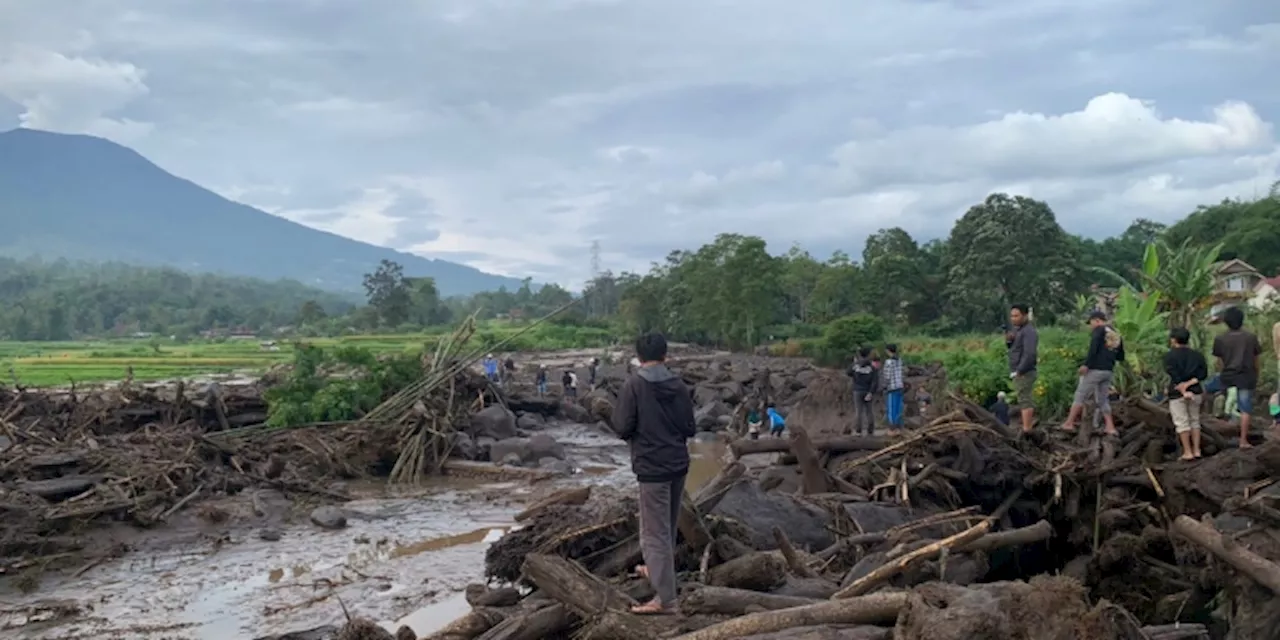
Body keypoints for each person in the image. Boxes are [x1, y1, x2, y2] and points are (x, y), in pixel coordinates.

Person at [611, 332, 696, 615]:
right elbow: (690, 428)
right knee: (667, 529)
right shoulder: (679, 384)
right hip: (678, 464)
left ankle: (666, 601)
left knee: (653, 534)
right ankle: (658, 572)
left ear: (639, 356)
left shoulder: (634, 385)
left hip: (652, 467)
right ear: (665, 355)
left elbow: (622, 426)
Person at [1061, 311, 1125, 436]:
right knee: (1103, 400)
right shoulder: (1116, 333)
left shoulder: (1099, 330)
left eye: (1090, 323)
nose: (1091, 326)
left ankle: (1069, 423)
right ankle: (1110, 427)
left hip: (1096, 369)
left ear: (1097, 320)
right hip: (1108, 370)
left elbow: (1093, 347)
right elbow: (1121, 356)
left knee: (1080, 395)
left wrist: (1086, 364)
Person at [1212, 306, 1262, 448]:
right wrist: (1257, 374)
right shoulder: (1250, 337)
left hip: (1227, 375)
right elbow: (1256, 359)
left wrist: (1222, 373)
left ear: (1226, 322)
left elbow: (1219, 362)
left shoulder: (1220, 338)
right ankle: (1243, 440)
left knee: (1215, 397)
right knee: (1245, 408)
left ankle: (1218, 433)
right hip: (1246, 376)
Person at [1164, 327, 1207, 460]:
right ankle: (1197, 450)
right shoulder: (1197, 355)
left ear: (1173, 340)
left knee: (1182, 422)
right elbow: (1203, 374)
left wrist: (1183, 389)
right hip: (1196, 392)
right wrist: (1189, 385)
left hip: (1177, 394)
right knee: (1195, 421)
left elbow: (1174, 374)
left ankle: (1187, 452)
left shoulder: (1169, 356)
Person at [1006, 304, 1039, 433]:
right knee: (1022, 397)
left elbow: (1030, 353)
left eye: (1016, 316)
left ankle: (1027, 429)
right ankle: (1026, 426)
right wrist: (1009, 341)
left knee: (1025, 398)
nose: (1013, 318)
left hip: (1024, 371)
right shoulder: (1018, 330)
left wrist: (1020, 370)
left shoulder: (1028, 331)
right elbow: (1015, 348)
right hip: (1018, 370)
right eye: (1012, 316)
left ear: (1025, 315)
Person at [846, 346, 879, 435]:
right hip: (868, 391)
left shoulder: (855, 366)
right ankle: (870, 430)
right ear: (868, 355)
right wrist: (871, 392)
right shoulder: (872, 367)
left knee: (858, 411)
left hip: (857, 390)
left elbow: (848, 372)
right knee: (869, 411)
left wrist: (854, 363)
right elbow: (875, 381)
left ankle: (858, 430)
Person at [881, 344, 905, 429]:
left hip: (892, 388)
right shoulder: (900, 360)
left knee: (891, 409)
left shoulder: (888, 362)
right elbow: (902, 374)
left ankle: (892, 427)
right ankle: (899, 426)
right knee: (899, 408)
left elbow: (887, 376)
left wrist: (884, 386)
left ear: (888, 351)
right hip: (900, 386)